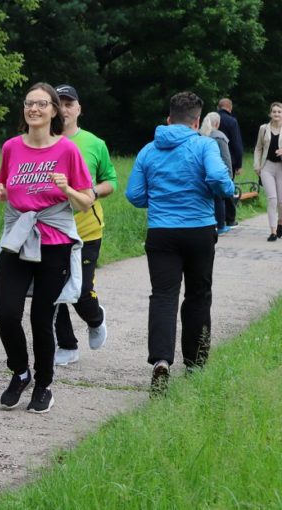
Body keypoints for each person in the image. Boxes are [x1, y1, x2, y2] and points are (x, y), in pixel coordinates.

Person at [0, 82, 93, 414]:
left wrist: (68, 190)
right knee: (6, 313)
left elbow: (86, 201)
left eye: (41, 104)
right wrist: (2, 194)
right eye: (29, 103)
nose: (34, 109)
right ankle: (20, 372)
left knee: (41, 318)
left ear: (54, 111)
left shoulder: (67, 151)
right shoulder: (11, 148)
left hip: (55, 243)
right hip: (18, 239)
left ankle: (45, 384)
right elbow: (8, 186)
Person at [126, 92, 235, 395]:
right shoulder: (204, 144)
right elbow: (218, 178)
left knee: (163, 296)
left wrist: (161, 199)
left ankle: (161, 361)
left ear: (169, 118)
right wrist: (223, 190)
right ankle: (195, 364)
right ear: (198, 121)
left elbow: (134, 194)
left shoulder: (149, 150)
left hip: (161, 232)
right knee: (198, 295)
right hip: (199, 231)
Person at [52, 84, 117, 366]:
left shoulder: (94, 143)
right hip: (51, 229)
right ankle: (66, 346)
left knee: (79, 291)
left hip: (87, 229)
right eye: (59, 103)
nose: (64, 109)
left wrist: (93, 191)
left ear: (78, 109)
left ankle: (95, 317)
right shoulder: (41, 141)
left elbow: (111, 181)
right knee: (52, 292)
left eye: (69, 103)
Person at [199, 112, 233, 235]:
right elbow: (226, 158)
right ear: (217, 123)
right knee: (219, 199)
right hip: (216, 173)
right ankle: (221, 226)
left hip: (201, 173)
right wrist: (229, 176)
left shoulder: (199, 135)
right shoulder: (219, 136)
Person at [252, 102, 282, 241]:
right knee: (272, 199)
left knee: (281, 201)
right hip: (267, 167)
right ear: (270, 113)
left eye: (279, 111)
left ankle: (280, 223)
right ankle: (273, 231)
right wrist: (257, 165)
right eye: (274, 111)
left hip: (281, 168)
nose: (276, 114)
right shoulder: (263, 129)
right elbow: (258, 148)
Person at [217, 98, 244, 227]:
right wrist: (239, 164)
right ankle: (230, 218)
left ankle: (217, 218)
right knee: (228, 188)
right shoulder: (232, 121)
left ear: (219, 107)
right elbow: (237, 144)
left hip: (211, 158)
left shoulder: (211, 119)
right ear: (230, 108)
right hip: (229, 160)